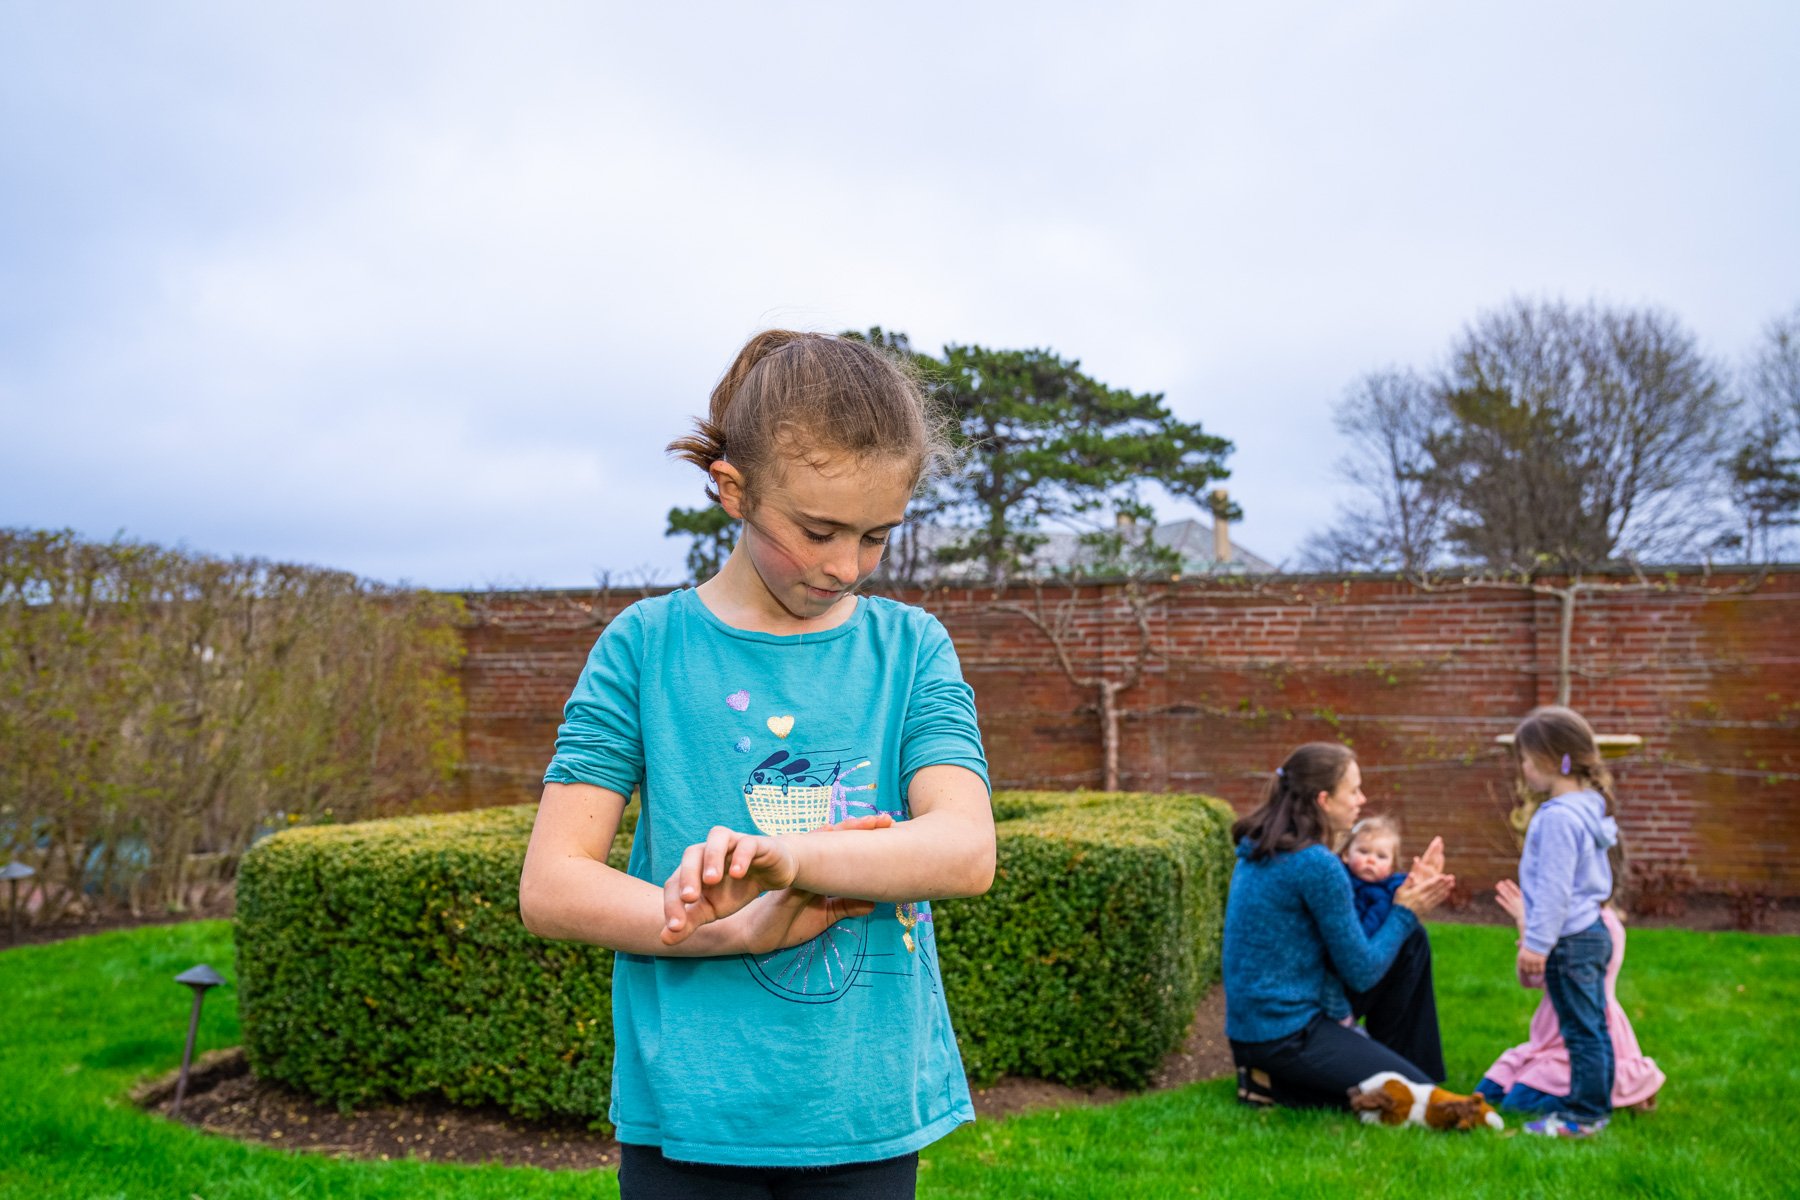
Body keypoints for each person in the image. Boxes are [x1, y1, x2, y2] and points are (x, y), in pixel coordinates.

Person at [518, 330, 997, 1199]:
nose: (845, 567)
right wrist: (730, 926)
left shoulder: (913, 649)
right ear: (732, 491)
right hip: (690, 1116)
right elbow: (552, 885)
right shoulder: (644, 647)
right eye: (817, 531)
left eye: (877, 536)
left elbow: (965, 851)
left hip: (865, 1112)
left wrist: (789, 860)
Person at [1223, 743, 1456, 1110]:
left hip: (1261, 1024)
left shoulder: (1266, 848)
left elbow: (1352, 954)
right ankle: (1271, 1082)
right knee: (1413, 1098)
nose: (1361, 800)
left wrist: (1405, 900)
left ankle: (1403, 1066)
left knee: (1412, 941)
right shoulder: (1315, 864)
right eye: (1353, 790)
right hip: (1285, 1034)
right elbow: (1362, 972)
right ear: (1324, 800)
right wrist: (1405, 911)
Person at [1504, 705, 1624, 1139]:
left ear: (1548, 760)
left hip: (1568, 938)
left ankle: (1584, 1117)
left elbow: (1554, 890)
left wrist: (1536, 944)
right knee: (1592, 1025)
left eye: (1525, 760)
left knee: (1580, 1029)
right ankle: (1599, 1107)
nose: (1522, 769)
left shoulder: (1556, 818)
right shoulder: (1588, 808)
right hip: (1590, 930)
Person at [1477, 881, 1665, 1114]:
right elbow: (1531, 979)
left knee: (1516, 1104)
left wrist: (1529, 927)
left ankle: (1607, 1095)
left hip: (1582, 1026)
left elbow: (1568, 978)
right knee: (1485, 1093)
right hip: (1550, 1034)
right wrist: (1533, 932)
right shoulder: (1555, 923)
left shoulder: (1601, 928)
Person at [1342, 815, 1406, 938]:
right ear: (1346, 854)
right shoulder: (1338, 880)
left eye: (1381, 856)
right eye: (1363, 851)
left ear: (1392, 866)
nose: (1371, 860)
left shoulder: (1390, 893)